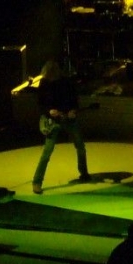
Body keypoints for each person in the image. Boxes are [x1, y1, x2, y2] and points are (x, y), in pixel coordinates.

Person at [32, 60, 90, 194]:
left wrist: (72, 111)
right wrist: (49, 111)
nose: (49, 79)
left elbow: (74, 100)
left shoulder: (67, 82)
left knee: (80, 146)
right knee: (47, 152)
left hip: (68, 119)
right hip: (52, 121)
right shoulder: (44, 83)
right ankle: (37, 182)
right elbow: (40, 104)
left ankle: (84, 173)